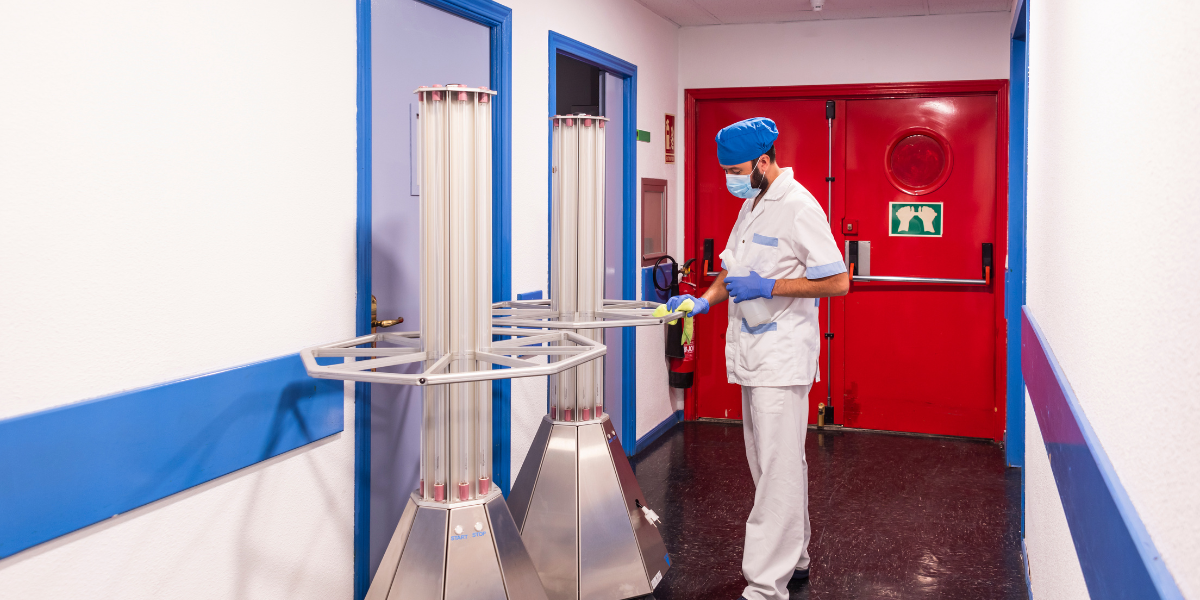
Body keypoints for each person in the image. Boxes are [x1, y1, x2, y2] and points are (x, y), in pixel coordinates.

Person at [666, 117, 849, 600]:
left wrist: (769, 286)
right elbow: (732, 270)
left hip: (781, 358)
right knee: (774, 465)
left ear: (763, 162)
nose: (730, 179)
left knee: (776, 471)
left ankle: (766, 586)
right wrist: (702, 300)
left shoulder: (798, 206)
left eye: (735, 170)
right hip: (753, 352)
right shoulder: (752, 204)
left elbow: (838, 281)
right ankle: (797, 558)